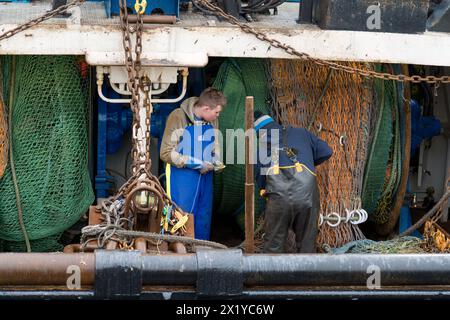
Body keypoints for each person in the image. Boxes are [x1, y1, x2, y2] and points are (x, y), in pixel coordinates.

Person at [254, 111, 332, 253]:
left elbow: (261, 178)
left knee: (273, 247)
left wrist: (266, 191)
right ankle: (307, 273)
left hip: (278, 198)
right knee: (307, 244)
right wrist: (307, 163)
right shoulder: (301, 133)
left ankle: (271, 275)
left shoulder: (263, 146)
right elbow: (326, 151)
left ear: (261, 132)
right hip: (307, 194)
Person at [160, 88, 226, 240]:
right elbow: (165, 152)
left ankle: (202, 251)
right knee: (181, 218)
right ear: (205, 108)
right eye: (216, 112)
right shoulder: (178, 116)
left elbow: (215, 145)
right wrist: (195, 164)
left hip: (205, 178)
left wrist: (216, 160)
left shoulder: (212, 120)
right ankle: (177, 253)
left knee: (203, 216)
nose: (218, 115)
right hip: (181, 179)